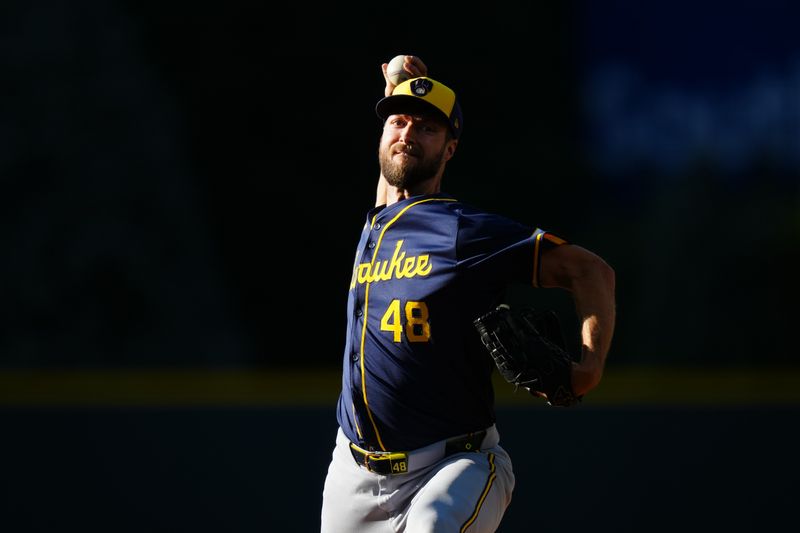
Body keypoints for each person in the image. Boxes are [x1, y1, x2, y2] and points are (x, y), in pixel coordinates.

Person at [320, 55, 616, 533]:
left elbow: (591, 272)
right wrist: (401, 84)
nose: (408, 134)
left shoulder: (461, 231)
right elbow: (391, 184)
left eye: (428, 129)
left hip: (452, 464)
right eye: (398, 122)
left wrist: (589, 366)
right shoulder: (377, 223)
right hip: (352, 474)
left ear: (451, 149)